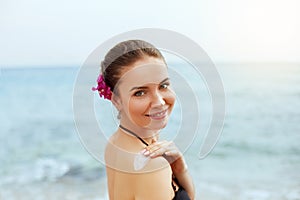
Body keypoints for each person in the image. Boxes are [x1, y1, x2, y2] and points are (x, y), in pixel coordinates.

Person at [92, 40, 195, 200]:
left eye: (163, 86)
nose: (159, 102)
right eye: (140, 92)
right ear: (117, 100)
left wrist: (180, 170)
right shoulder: (152, 166)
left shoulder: (115, 143)